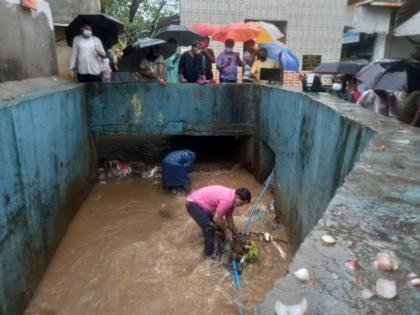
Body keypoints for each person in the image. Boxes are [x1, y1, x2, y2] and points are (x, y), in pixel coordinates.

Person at [186, 186, 251, 258]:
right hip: (193, 204)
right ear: (237, 197)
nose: (241, 206)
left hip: (200, 203)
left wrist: (232, 231)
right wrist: (226, 231)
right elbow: (216, 218)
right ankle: (208, 255)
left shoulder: (232, 198)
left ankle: (216, 241)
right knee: (209, 229)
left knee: (217, 225)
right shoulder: (228, 200)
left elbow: (229, 216)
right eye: (242, 203)